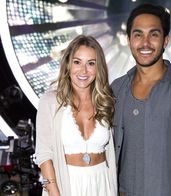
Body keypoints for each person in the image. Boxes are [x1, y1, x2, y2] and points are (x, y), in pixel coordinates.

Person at [111, 3, 171, 196]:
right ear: (129, 40)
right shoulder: (117, 88)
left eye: (153, 34)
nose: (145, 43)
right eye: (138, 34)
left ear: (165, 41)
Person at [35, 35, 117, 196]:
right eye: (77, 62)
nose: (84, 70)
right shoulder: (50, 102)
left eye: (91, 63)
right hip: (65, 186)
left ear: (98, 68)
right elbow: (43, 156)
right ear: (67, 64)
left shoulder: (106, 102)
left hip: (102, 185)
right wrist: (52, 191)